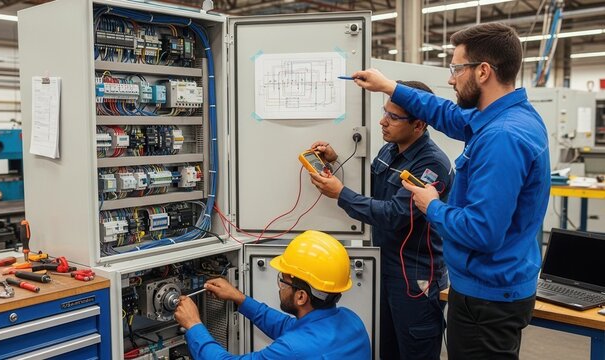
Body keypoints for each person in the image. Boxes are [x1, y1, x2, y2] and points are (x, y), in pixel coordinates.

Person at [351, 22, 551, 360]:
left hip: (486, 299)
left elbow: (482, 232)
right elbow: (445, 113)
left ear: (483, 71)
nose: (451, 78)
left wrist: (432, 206)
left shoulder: (502, 136)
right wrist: (389, 86)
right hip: (493, 287)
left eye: (457, 68)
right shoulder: (508, 117)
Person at [309, 80, 453, 360]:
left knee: (414, 352)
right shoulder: (390, 150)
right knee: (385, 349)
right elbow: (372, 192)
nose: (382, 121)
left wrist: (340, 194)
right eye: (385, 112)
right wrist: (336, 162)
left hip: (414, 278)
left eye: (393, 117)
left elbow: (394, 214)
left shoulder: (431, 165)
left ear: (419, 124)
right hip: (384, 268)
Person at [174, 230, 371, 359]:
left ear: (301, 296)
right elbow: (288, 327)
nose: (279, 287)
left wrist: (193, 325)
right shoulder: (351, 320)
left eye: (282, 280)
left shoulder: (293, 350)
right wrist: (240, 299)